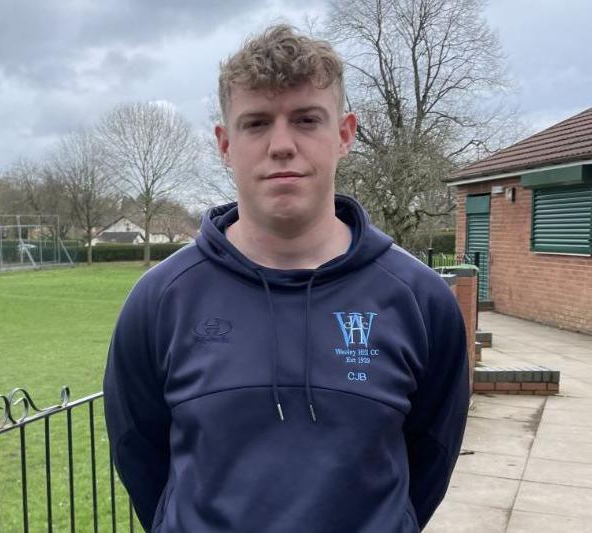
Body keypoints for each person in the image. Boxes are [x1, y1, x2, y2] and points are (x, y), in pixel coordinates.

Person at [103, 24, 469, 533]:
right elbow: (139, 453)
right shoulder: (161, 300)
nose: (281, 145)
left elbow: (430, 458)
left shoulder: (420, 300)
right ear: (225, 144)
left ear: (344, 134)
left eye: (305, 119)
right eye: (256, 123)